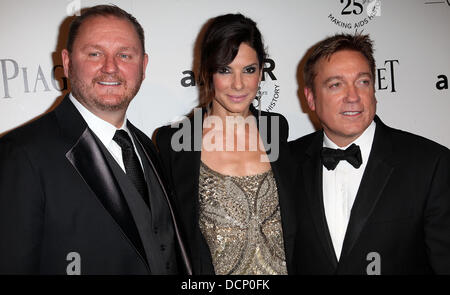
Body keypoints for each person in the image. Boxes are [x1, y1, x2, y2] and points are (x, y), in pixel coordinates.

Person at [0, 5, 191, 275]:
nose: (110, 67)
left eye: (125, 55)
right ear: (67, 63)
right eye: (94, 53)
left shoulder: (147, 146)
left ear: (143, 66)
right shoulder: (21, 155)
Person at [290, 33, 450, 274]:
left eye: (363, 82)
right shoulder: (286, 163)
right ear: (311, 98)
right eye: (336, 84)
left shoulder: (431, 164)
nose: (353, 97)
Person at [155, 13, 297, 275]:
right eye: (225, 70)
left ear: (262, 70)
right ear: (207, 71)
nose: (238, 84)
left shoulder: (276, 129)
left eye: (249, 70)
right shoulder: (176, 142)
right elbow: (168, 240)